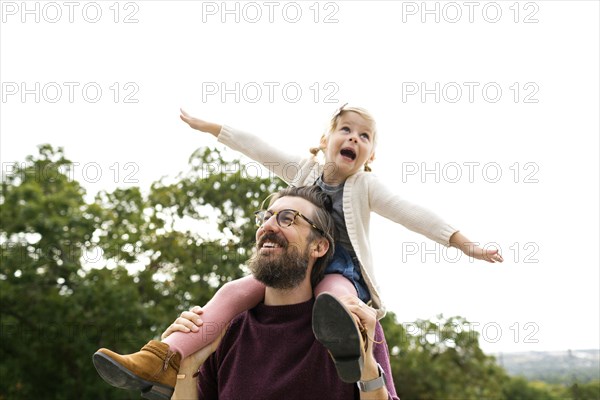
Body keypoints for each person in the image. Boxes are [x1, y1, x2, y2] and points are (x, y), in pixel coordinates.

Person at [93, 104, 503, 396]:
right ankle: (162, 359)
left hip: (341, 270)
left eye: (364, 137)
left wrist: (466, 245)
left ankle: (344, 349)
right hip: (301, 268)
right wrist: (214, 128)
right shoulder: (301, 171)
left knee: (336, 299)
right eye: (346, 130)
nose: (353, 139)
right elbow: (259, 148)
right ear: (325, 140)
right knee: (233, 293)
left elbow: (413, 213)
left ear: (370, 156)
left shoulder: (365, 187)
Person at [96, 186, 399, 399]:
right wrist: (187, 366)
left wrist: (367, 366)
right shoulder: (226, 330)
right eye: (266, 217)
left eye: (287, 218)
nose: (269, 226)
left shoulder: (351, 326)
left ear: (319, 246)